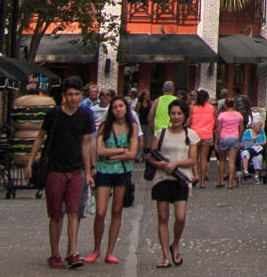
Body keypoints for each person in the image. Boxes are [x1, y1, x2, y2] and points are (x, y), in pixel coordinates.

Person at [39, 81, 93, 268]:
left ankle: (72, 251)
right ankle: (55, 253)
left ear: (81, 95)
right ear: (64, 95)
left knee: (73, 212)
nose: (73, 98)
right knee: (55, 214)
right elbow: (41, 137)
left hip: (75, 169)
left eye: (76, 94)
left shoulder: (85, 115)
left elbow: (86, 144)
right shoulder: (54, 114)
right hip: (55, 169)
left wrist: (88, 170)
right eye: (70, 94)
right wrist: (31, 162)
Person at [90, 95, 140, 264]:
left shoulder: (132, 126)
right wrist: (121, 151)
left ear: (126, 108)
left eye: (121, 106)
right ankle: (96, 248)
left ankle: (110, 251)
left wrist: (113, 154)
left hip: (122, 172)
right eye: (115, 107)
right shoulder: (105, 126)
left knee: (117, 211)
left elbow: (133, 154)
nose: (118, 110)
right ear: (111, 110)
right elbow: (100, 151)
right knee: (100, 211)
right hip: (104, 171)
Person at [146, 103, 195, 266]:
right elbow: (151, 156)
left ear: (184, 115)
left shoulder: (191, 135)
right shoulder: (160, 134)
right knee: (163, 217)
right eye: (173, 114)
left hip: (181, 179)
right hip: (162, 179)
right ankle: (165, 256)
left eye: (179, 113)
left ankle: (175, 243)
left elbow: (192, 160)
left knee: (180, 217)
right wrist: (159, 164)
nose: (176, 117)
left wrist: (175, 164)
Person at [213, 96, 245, 188]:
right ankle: (230, 183)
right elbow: (241, 128)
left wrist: (216, 142)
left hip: (223, 137)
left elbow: (218, 130)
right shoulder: (239, 115)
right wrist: (240, 138)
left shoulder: (222, 115)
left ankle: (221, 180)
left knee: (222, 160)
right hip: (234, 137)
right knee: (232, 161)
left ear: (225, 105)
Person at [189, 89, 219, 184]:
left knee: (194, 157)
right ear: (207, 98)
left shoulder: (193, 108)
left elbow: (189, 121)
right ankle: (202, 182)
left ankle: (195, 175)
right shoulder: (211, 108)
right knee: (204, 158)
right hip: (207, 134)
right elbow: (216, 122)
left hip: (195, 134)